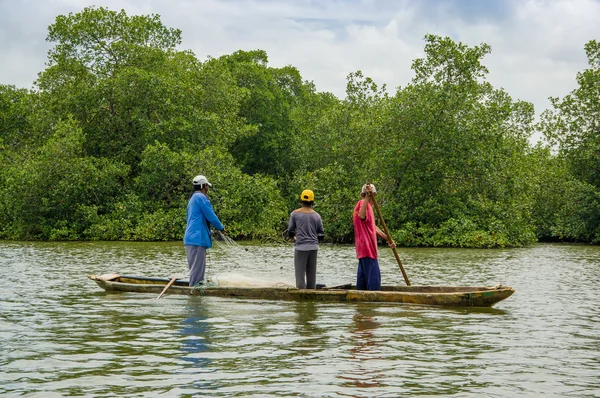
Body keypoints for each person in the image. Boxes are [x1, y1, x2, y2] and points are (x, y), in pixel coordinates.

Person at [352, 183, 395, 291]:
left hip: (363, 250)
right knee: (374, 283)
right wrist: (367, 197)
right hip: (368, 249)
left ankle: (363, 306)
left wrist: (388, 239)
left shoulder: (365, 205)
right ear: (373, 194)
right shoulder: (363, 204)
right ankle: (373, 304)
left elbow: (373, 227)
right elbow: (361, 216)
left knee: (362, 285)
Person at [184, 175, 225, 287]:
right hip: (197, 238)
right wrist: (221, 228)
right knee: (197, 272)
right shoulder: (201, 198)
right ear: (203, 186)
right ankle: (194, 295)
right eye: (207, 185)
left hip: (190, 238)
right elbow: (211, 216)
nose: (207, 188)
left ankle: (194, 291)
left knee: (195, 269)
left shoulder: (192, 198)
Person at [287, 189, 324, 289]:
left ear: (301, 200)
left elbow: (290, 231)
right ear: (312, 201)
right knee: (312, 279)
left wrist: (294, 238)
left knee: (300, 279)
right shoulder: (317, 216)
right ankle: (311, 300)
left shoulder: (294, 214)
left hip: (300, 248)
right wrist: (315, 241)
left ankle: (301, 302)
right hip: (313, 248)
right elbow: (321, 234)